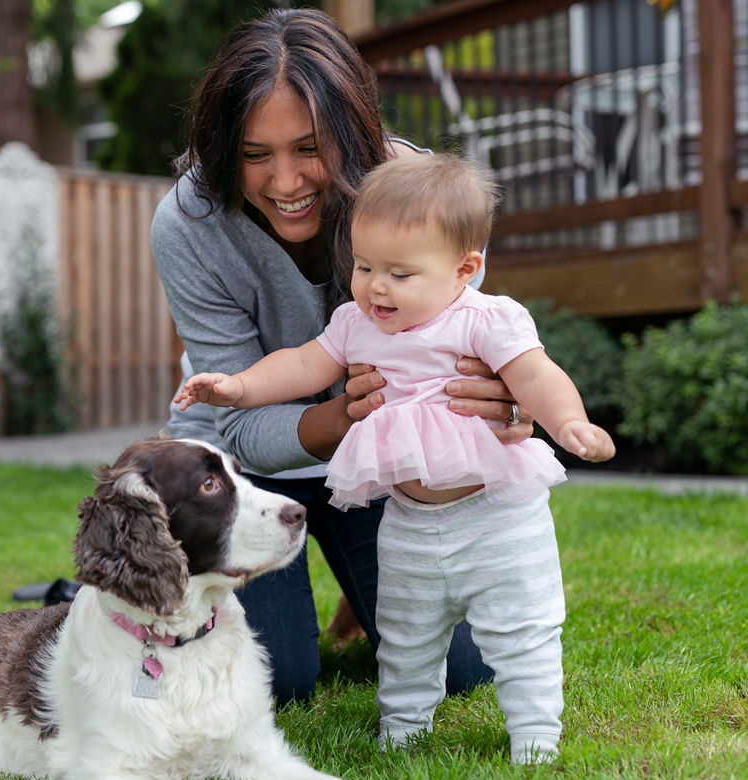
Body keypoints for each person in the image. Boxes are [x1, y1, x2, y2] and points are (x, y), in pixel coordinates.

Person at [151, 7, 535, 708]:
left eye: (309, 147)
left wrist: (503, 400)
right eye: (253, 153)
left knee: (466, 671)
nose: (286, 181)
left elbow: (474, 358)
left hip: (382, 463)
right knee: (280, 682)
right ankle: (134, 579)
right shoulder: (189, 222)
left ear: (352, 133)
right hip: (250, 465)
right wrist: (341, 416)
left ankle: (370, 580)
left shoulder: (418, 192)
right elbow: (242, 429)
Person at [175, 152, 615, 762]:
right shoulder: (357, 323)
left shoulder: (483, 319)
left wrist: (568, 420)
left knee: (520, 632)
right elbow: (303, 364)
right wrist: (239, 387)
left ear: (465, 269)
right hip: (407, 520)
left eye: (400, 274)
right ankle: (402, 728)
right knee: (406, 636)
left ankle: (535, 735)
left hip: (496, 519)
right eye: (363, 266)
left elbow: (535, 373)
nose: (377, 286)